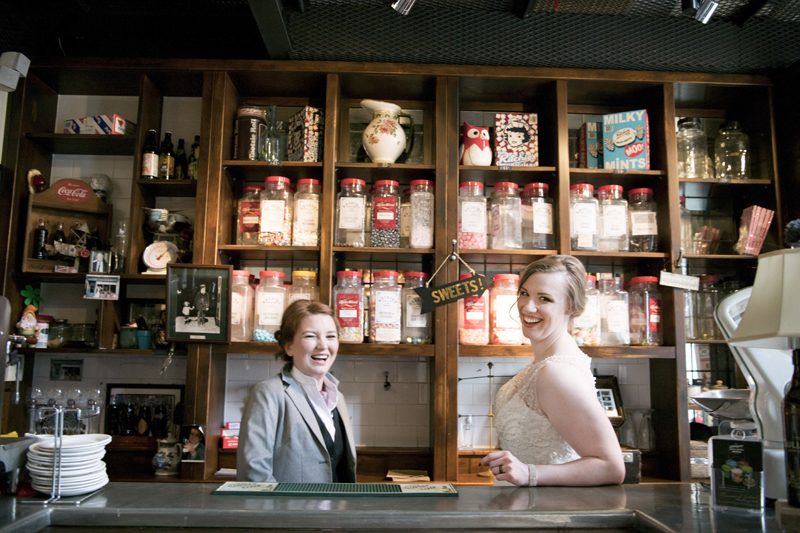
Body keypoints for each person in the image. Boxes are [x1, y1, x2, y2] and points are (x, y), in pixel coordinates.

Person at [480, 255, 625, 487]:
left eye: (544, 298)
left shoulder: (557, 372)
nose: (527, 306)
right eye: (524, 293)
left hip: (547, 512)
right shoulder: (542, 365)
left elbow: (611, 467)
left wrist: (530, 474)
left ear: (571, 307)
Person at [237, 300, 356, 483]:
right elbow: (254, 474)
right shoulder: (268, 394)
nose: (323, 345)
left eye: (331, 336)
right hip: (290, 510)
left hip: (336, 510)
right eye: (310, 336)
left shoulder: (337, 398)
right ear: (288, 346)